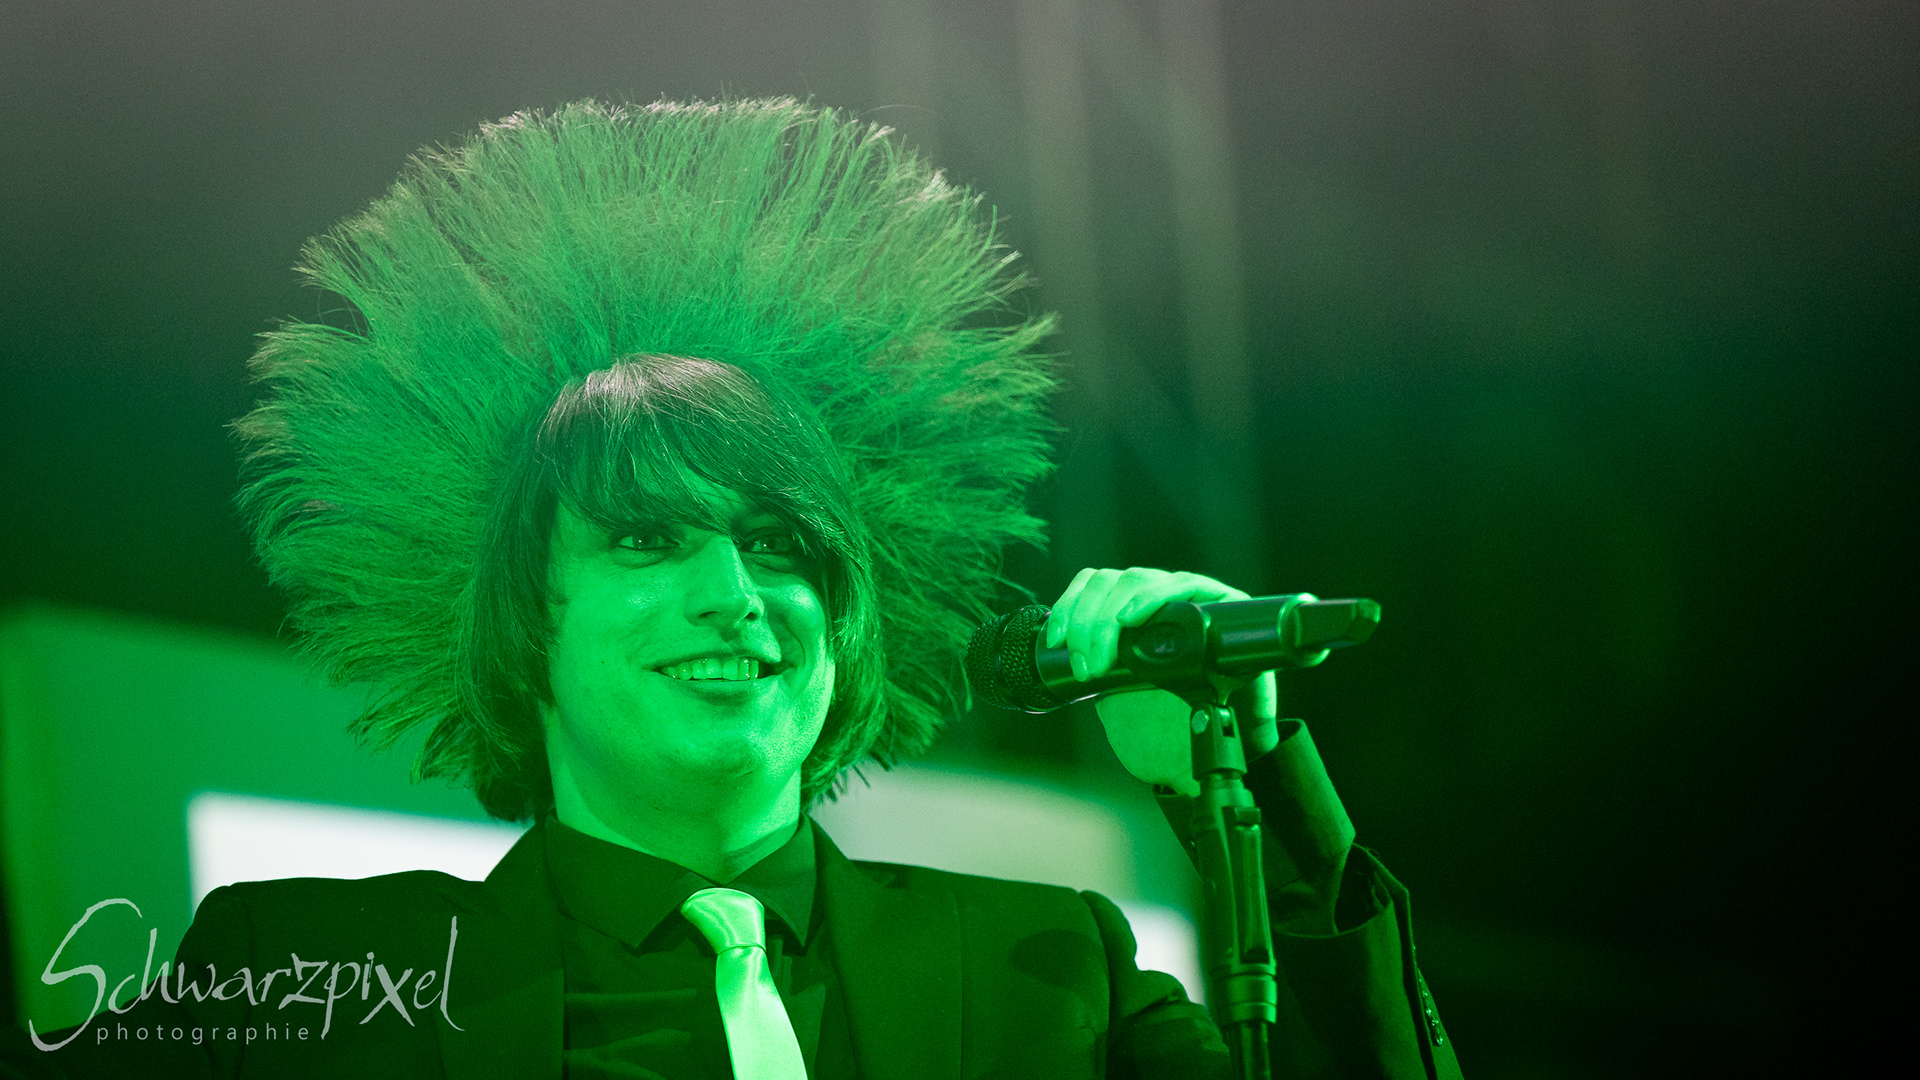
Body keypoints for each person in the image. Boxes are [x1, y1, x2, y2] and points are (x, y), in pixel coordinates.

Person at [8, 99, 1460, 1079]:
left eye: (780, 546)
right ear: (526, 627)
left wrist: (1246, 777)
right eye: (648, 542)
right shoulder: (307, 978)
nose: (737, 596)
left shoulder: (1051, 970)